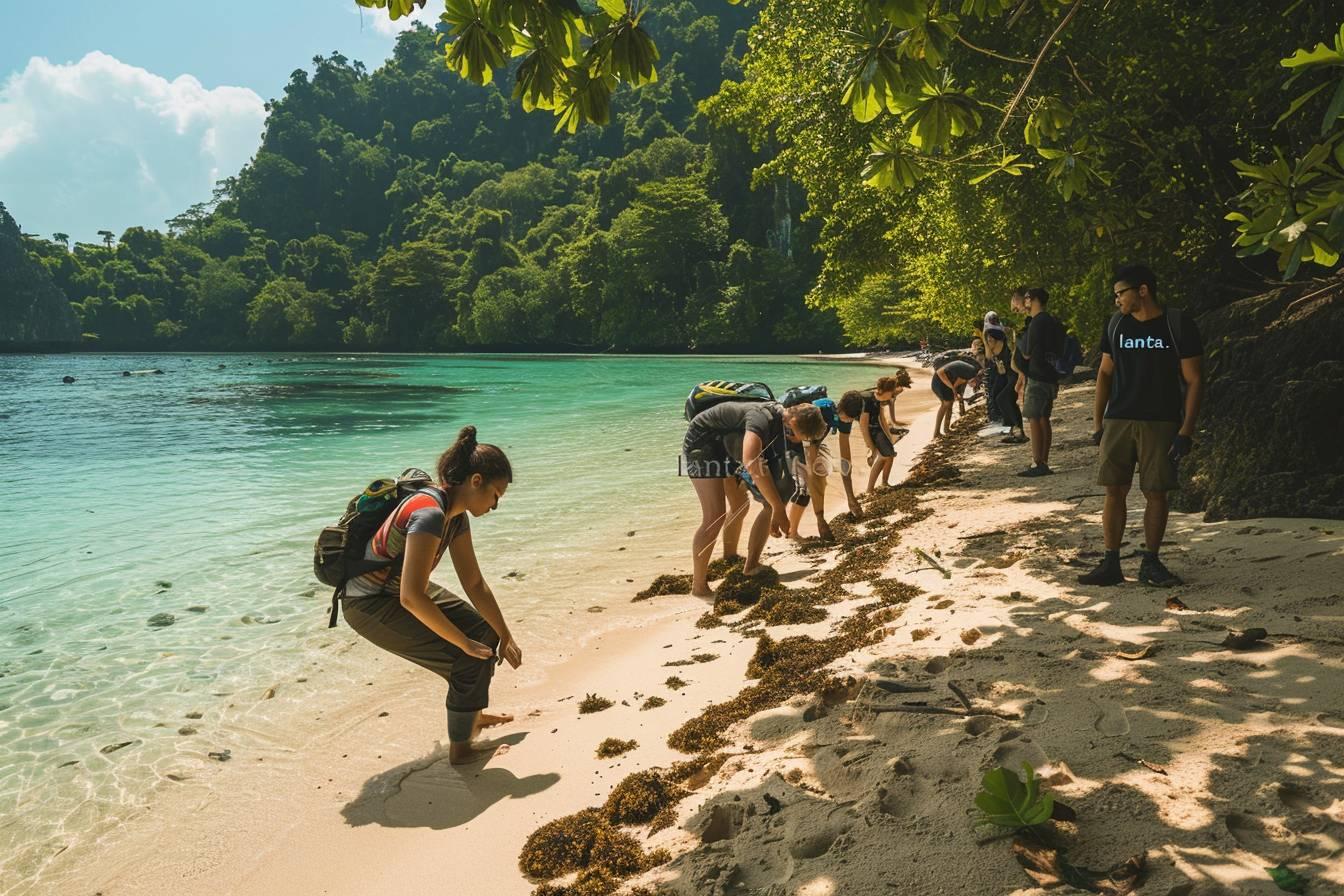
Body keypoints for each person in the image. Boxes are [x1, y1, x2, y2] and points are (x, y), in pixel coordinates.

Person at [342, 426, 520, 765]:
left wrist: (505, 633)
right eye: (496, 495)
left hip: (397, 591)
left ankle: (472, 716)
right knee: (465, 655)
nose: (496, 506)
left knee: (485, 633)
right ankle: (461, 750)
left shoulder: (456, 518)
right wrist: (463, 644)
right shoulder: (430, 513)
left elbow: (475, 582)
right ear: (476, 481)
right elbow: (412, 597)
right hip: (368, 603)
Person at [1079, 264, 1204, 590]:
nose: (1117, 299)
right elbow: (1105, 373)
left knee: (1156, 492)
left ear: (1143, 290)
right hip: (1119, 418)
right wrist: (1098, 423)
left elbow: (1194, 380)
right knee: (1113, 490)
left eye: (1122, 293)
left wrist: (1186, 431)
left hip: (1161, 421)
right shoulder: (1117, 324)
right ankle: (1111, 563)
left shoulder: (1177, 324)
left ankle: (1151, 562)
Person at [684, 399, 828, 595]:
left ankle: (740, 562)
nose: (796, 440)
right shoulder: (761, 417)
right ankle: (699, 586)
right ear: (793, 423)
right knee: (714, 516)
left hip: (725, 445)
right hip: (702, 442)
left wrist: (775, 504)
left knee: (741, 505)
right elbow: (751, 460)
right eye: (798, 436)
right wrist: (777, 507)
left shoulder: (781, 422)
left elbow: (772, 473)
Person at [785, 395, 862, 539]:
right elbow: (811, 463)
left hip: (809, 442)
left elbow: (845, 460)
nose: (850, 421)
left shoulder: (845, 417)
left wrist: (851, 498)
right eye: (849, 418)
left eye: (853, 419)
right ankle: (792, 533)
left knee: (819, 481)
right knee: (805, 488)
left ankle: (795, 530)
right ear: (841, 408)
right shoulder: (821, 413)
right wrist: (820, 519)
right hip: (792, 438)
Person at [1016, 286, 1066, 477]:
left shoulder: (1037, 322)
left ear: (1033, 299)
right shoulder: (1051, 320)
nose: (1024, 302)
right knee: (1043, 418)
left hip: (1037, 376)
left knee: (1034, 419)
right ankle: (1043, 461)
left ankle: (1038, 462)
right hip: (1050, 375)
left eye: (1026, 298)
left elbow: (1027, 352)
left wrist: (1019, 338)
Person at [855, 372, 911, 492]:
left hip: (877, 428)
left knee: (890, 455)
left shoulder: (879, 400)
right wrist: (871, 447)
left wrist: (889, 436)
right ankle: (869, 489)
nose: (892, 396)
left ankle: (884, 483)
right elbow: (863, 425)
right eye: (891, 393)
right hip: (870, 430)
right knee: (884, 456)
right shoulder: (868, 401)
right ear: (886, 391)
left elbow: (882, 419)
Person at [984, 326, 1027, 443]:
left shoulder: (1008, 348)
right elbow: (988, 356)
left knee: (1003, 399)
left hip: (1016, 376)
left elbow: (1015, 364)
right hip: (1009, 377)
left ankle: (1018, 431)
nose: (988, 343)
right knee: (1004, 400)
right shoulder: (996, 351)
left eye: (990, 340)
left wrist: (1021, 378)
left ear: (997, 340)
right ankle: (1015, 430)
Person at [932, 358, 981, 438]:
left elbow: (959, 387)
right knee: (946, 404)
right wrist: (953, 389)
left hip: (947, 381)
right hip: (939, 380)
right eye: (974, 385)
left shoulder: (970, 374)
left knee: (950, 403)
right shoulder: (970, 373)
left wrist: (956, 394)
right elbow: (940, 373)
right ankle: (936, 433)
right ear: (975, 379)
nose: (972, 387)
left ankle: (946, 429)